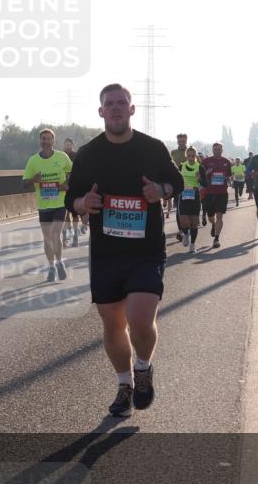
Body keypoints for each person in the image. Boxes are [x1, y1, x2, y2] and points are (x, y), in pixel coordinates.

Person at [66, 84, 183, 418]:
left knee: (139, 317)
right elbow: (70, 196)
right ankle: (125, 384)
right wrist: (81, 203)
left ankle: (143, 367)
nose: (116, 108)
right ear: (101, 111)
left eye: (122, 103)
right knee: (113, 324)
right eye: (109, 104)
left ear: (132, 110)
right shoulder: (89, 154)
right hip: (105, 252)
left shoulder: (153, 149)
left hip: (145, 249)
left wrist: (160, 190)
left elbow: (178, 183)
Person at [23, 129, 72, 281]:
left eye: (48, 138)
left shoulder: (62, 157)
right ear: (40, 141)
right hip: (43, 206)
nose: (46, 141)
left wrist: (66, 184)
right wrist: (33, 180)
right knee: (47, 239)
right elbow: (24, 183)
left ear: (53, 141)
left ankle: (59, 263)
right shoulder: (33, 161)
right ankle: (51, 267)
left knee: (55, 234)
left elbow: (73, 172)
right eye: (43, 138)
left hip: (59, 203)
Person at [199, 142, 232, 248]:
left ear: (222, 150)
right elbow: (199, 177)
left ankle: (216, 238)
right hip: (209, 193)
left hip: (222, 193)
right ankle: (213, 225)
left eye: (219, 149)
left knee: (220, 216)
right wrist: (207, 173)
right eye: (215, 149)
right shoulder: (206, 161)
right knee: (210, 216)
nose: (217, 151)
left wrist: (229, 180)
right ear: (212, 150)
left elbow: (229, 176)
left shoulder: (226, 162)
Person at [176, 146, 203, 251]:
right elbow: (176, 180)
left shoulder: (200, 167)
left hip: (195, 197)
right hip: (183, 197)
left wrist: (199, 178)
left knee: (194, 224)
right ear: (186, 156)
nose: (191, 158)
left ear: (195, 156)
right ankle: (186, 234)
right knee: (184, 222)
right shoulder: (181, 166)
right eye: (189, 156)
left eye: (193, 156)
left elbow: (205, 183)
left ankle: (192, 245)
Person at [61, 137, 83, 247]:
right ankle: (64, 238)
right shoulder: (60, 156)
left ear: (72, 145)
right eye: (65, 144)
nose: (67, 146)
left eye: (69, 144)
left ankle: (75, 236)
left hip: (74, 188)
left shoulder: (76, 156)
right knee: (65, 215)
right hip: (63, 189)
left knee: (75, 215)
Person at [169, 134, 188, 235]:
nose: (182, 143)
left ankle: (187, 228)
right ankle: (181, 230)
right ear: (177, 141)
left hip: (190, 184)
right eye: (180, 141)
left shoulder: (191, 151)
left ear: (186, 141)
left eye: (183, 141)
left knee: (188, 208)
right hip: (177, 183)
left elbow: (198, 166)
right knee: (179, 208)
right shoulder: (173, 153)